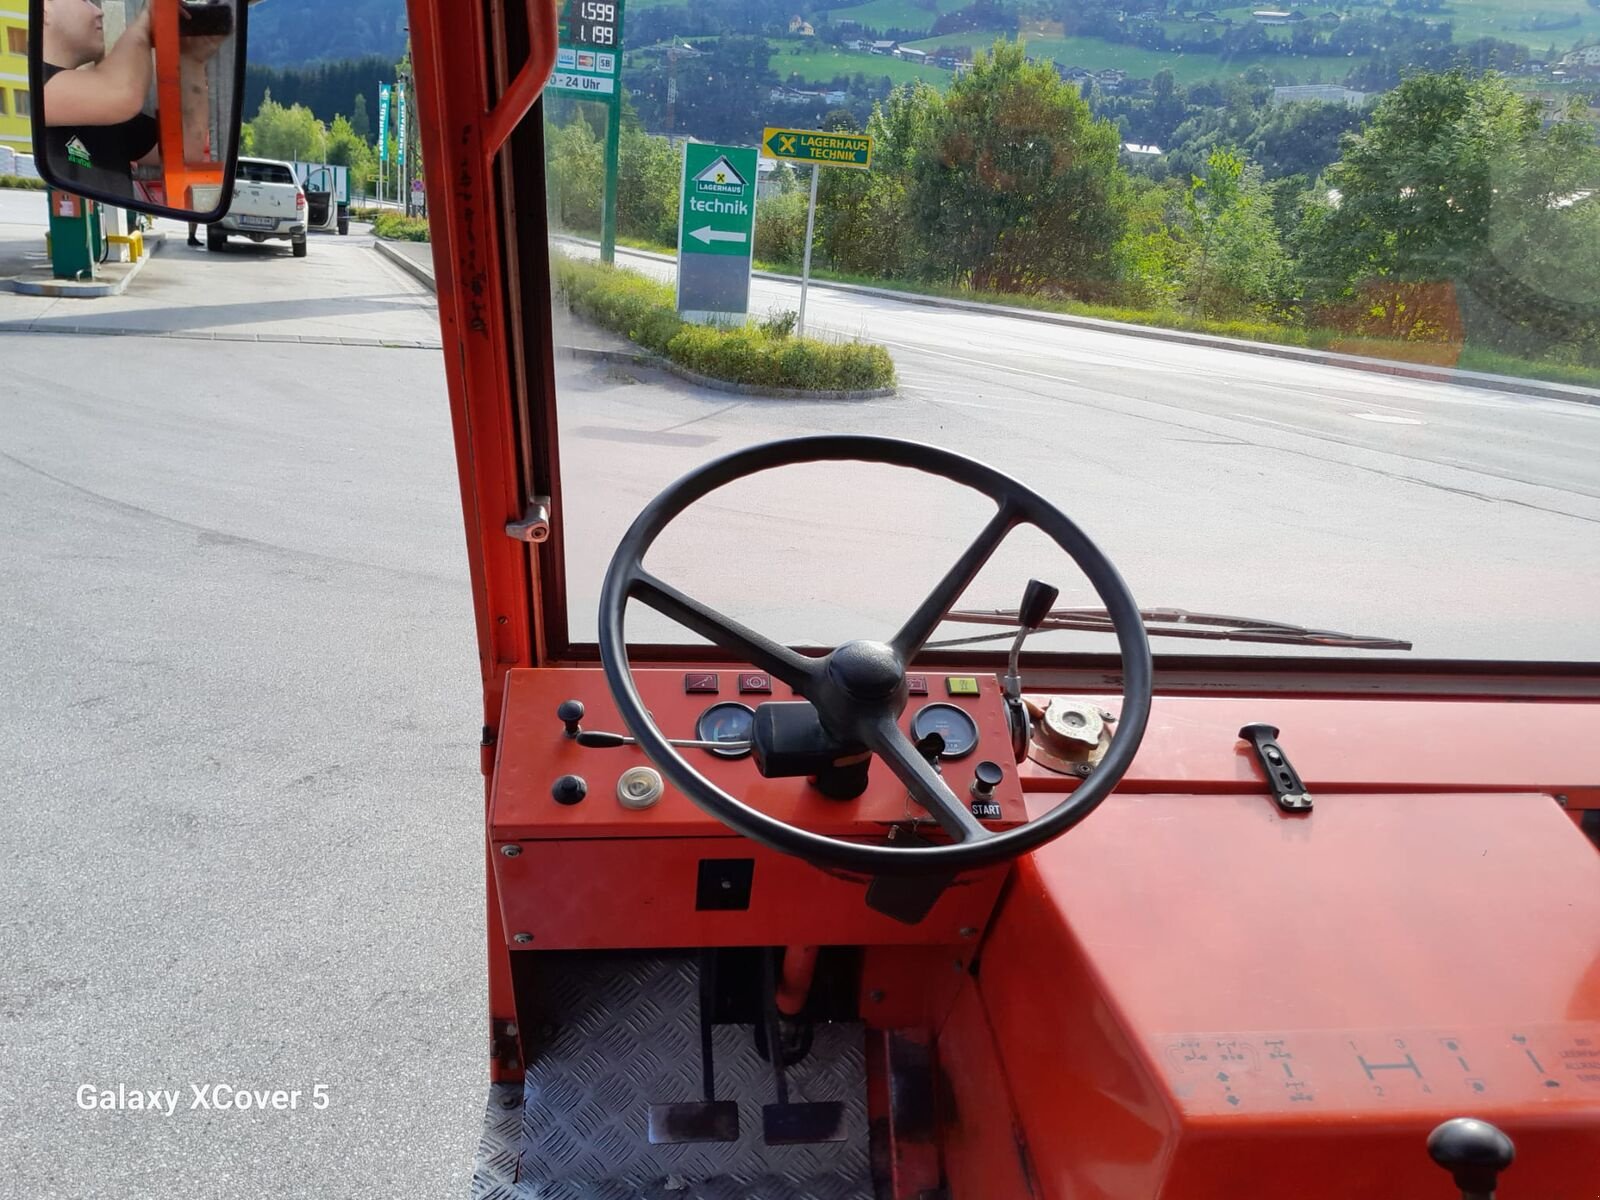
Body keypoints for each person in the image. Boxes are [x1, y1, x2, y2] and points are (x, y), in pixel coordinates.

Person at [39, 0, 158, 200]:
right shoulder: (38, 90)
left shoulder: (104, 105)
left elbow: (185, 149)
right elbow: (123, 92)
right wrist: (146, 21)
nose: (99, 12)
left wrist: (193, 58)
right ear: (43, 11)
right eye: (85, 0)